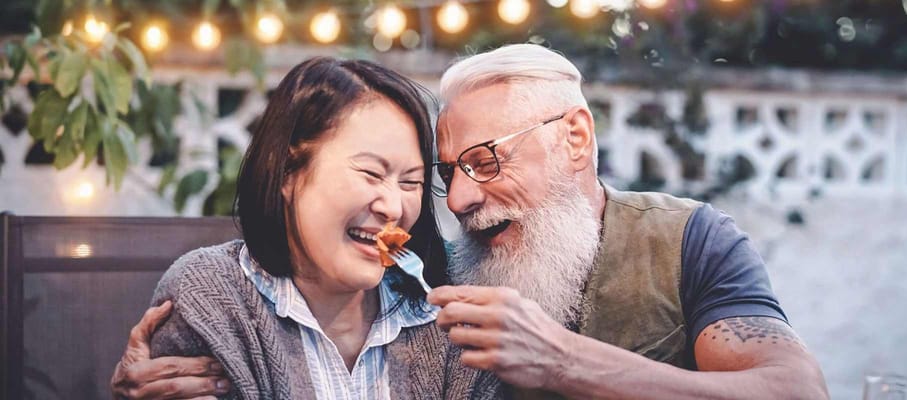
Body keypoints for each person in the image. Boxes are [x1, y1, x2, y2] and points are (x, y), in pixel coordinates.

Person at [113, 45, 829, 399]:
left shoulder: (689, 240)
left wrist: (565, 361)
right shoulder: (441, 285)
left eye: (484, 161)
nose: (453, 201)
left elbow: (795, 393)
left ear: (575, 138)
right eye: (448, 174)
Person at [109, 57, 499, 399]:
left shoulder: (451, 306)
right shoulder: (211, 298)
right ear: (289, 172)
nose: (393, 207)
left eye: (410, 183)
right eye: (370, 173)